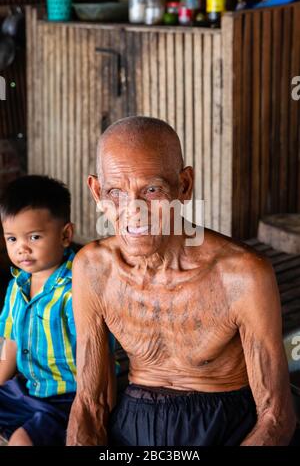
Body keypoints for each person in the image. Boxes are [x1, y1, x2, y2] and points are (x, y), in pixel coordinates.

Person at [67, 116, 296, 446]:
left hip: (223, 426)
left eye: (152, 190)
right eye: (116, 192)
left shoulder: (241, 274)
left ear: (184, 185)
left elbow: (276, 416)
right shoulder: (93, 269)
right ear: (97, 192)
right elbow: (90, 404)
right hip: (133, 422)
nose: (134, 211)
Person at [0, 175, 76, 446]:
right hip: (27, 388)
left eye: (34, 236)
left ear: (65, 235)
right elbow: (9, 341)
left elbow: (96, 353)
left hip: (68, 397)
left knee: (23, 440)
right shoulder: (16, 286)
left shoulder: (75, 288)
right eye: (12, 238)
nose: (22, 248)